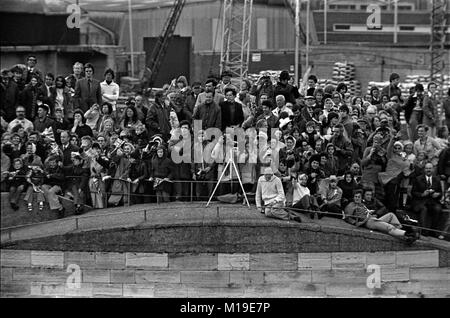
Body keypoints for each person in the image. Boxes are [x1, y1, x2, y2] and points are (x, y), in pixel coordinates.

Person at [344, 190, 417, 243]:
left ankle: (400, 231)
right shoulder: (351, 205)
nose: (357, 198)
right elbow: (347, 217)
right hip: (368, 222)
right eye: (355, 197)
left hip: (373, 218)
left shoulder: (362, 204)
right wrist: (355, 223)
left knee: (391, 215)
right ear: (353, 197)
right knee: (389, 227)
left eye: (358, 197)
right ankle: (405, 235)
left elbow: (380, 208)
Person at [411, 162, 443, 237]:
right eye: (427, 168)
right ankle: (424, 231)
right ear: (424, 169)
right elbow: (413, 192)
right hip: (419, 201)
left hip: (432, 201)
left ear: (433, 169)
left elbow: (440, 192)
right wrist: (422, 194)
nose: (428, 170)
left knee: (438, 209)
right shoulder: (418, 179)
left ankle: (433, 231)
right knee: (423, 209)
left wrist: (437, 194)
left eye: (430, 168)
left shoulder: (437, 179)